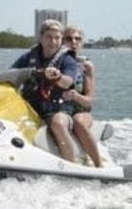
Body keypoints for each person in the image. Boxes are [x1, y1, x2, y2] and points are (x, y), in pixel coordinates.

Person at [11, 19, 80, 163]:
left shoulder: (68, 59)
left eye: (57, 38)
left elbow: (68, 81)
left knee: (58, 124)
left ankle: (72, 165)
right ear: (41, 38)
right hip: (30, 106)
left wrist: (58, 76)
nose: (53, 41)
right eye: (49, 37)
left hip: (58, 109)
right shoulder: (29, 56)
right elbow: (11, 72)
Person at [61, 25, 103, 167]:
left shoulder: (87, 66)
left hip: (80, 111)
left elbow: (88, 101)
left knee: (78, 121)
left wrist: (75, 96)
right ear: (62, 41)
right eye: (69, 38)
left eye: (77, 39)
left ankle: (99, 165)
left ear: (82, 43)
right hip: (59, 110)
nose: (73, 42)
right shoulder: (55, 62)